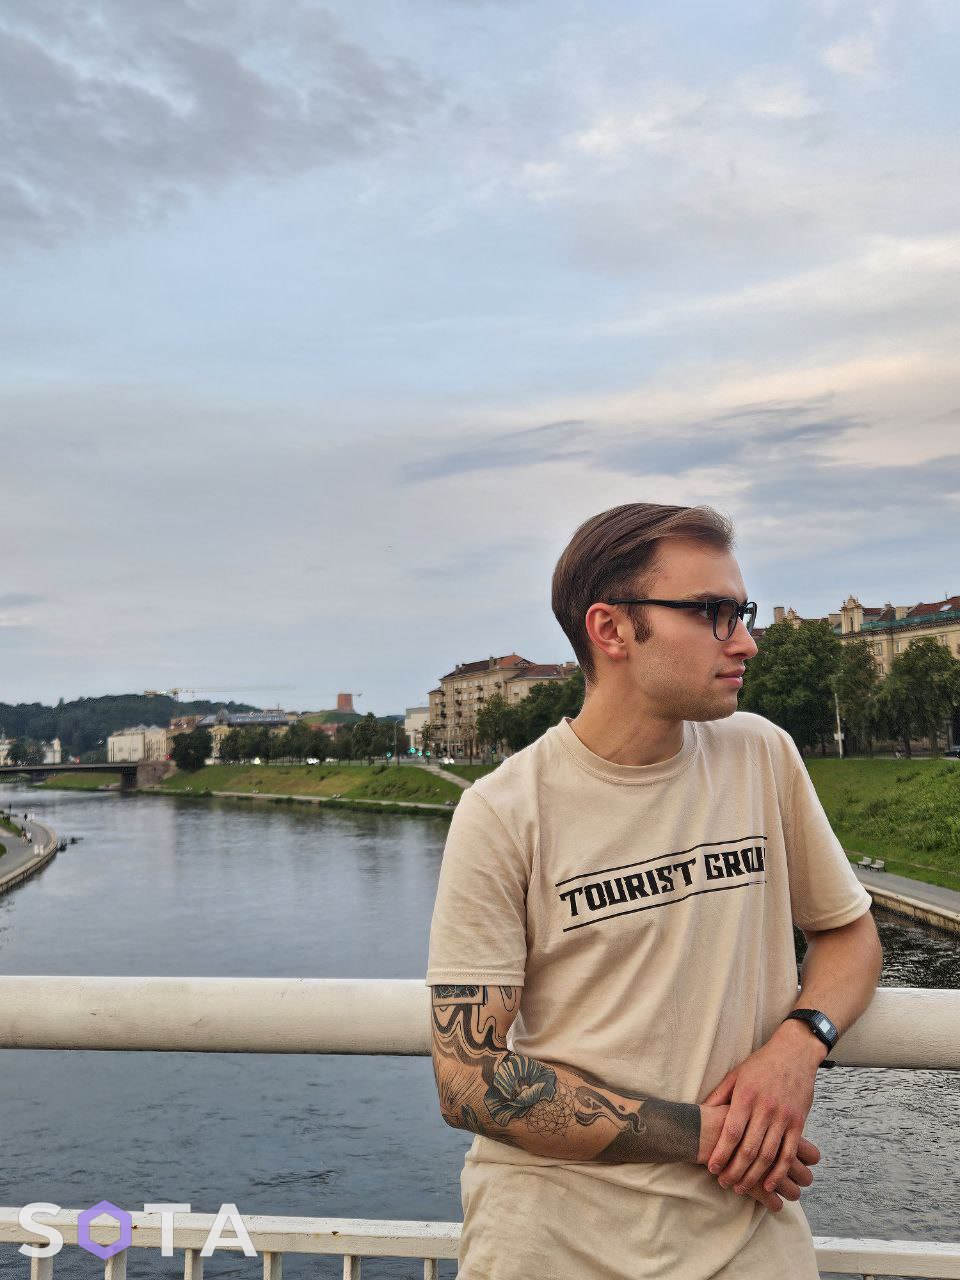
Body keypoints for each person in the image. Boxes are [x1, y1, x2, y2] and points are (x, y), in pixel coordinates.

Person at [426, 502, 882, 1280]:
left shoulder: (759, 755)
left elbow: (849, 934)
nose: (745, 641)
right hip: (550, 1242)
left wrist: (798, 1047)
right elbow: (470, 1082)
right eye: (710, 613)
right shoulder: (505, 811)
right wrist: (706, 1133)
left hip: (745, 1228)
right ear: (611, 629)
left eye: (741, 613)